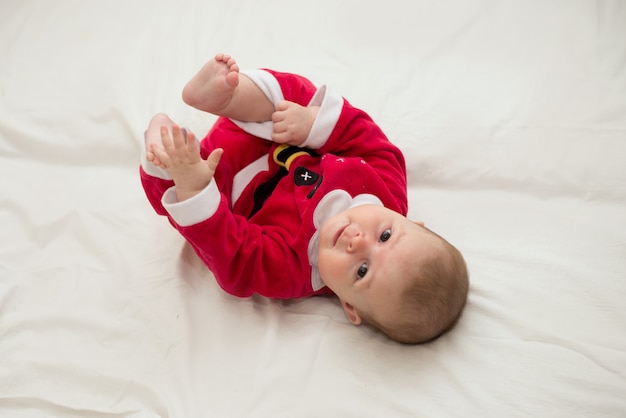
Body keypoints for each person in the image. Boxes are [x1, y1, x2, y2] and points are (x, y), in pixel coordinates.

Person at [140, 53, 468, 344]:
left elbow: (237, 255)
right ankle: (229, 96)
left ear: (349, 306)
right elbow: (364, 137)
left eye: (362, 271)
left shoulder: (294, 271)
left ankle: (167, 144)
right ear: (411, 222)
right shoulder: (386, 186)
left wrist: (196, 188)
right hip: (275, 130)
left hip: (219, 173)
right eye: (385, 236)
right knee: (299, 96)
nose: (356, 241)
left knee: (173, 198)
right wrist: (311, 124)